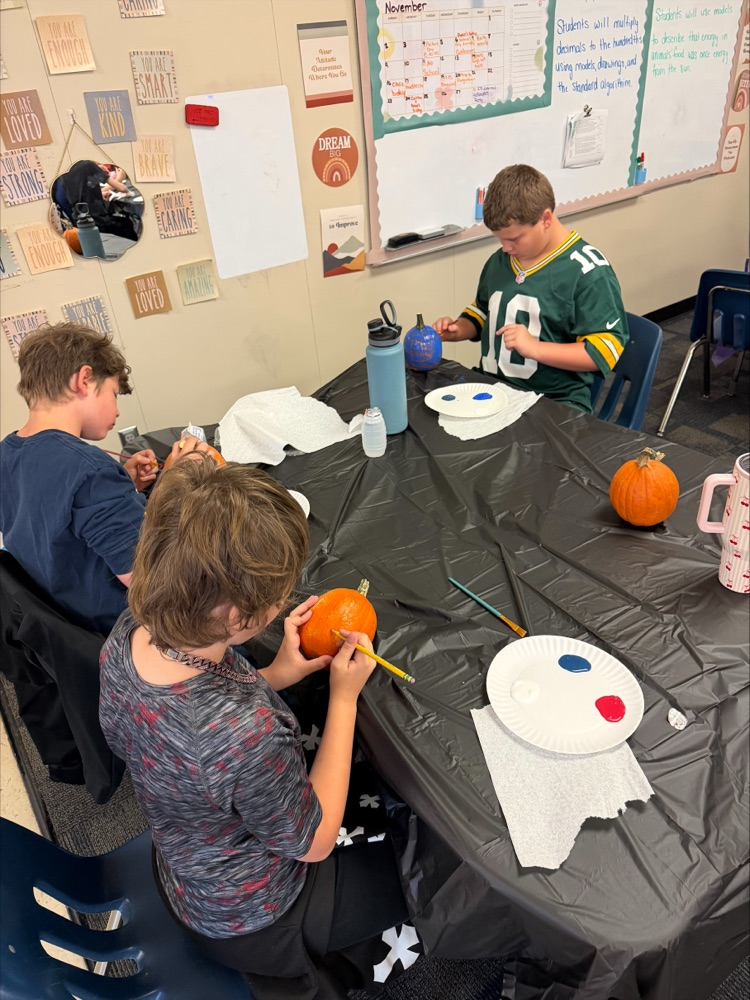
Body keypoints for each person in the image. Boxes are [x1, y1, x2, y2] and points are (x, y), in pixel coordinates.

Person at [98, 458, 408, 999]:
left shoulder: (129, 634)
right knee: (413, 863)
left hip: (184, 867)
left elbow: (178, 734)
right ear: (242, 616)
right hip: (253, 917)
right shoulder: (247, 733)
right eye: (278, 594)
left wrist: (277, 674)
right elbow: (311, 841)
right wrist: (343, 698)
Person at [0, 322, 208, 635]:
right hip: (126, 630)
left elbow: (55, 518)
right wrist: (177, 483)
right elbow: (156, 581)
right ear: (84, 380)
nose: (118, 412)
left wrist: (126, 488)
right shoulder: (89, 471)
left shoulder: (7, 453)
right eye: (113, 394)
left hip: (67, 619)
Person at [435, 164, 629, 412]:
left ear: (545, 219)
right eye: (500, 239)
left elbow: (604, 350)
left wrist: (534, 348)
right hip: (492, 391)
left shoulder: (588, 272)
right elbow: (484, 310)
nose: (505, 248)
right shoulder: (501, 261)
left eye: (514, 238)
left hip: (553, 401)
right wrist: (459, 329)